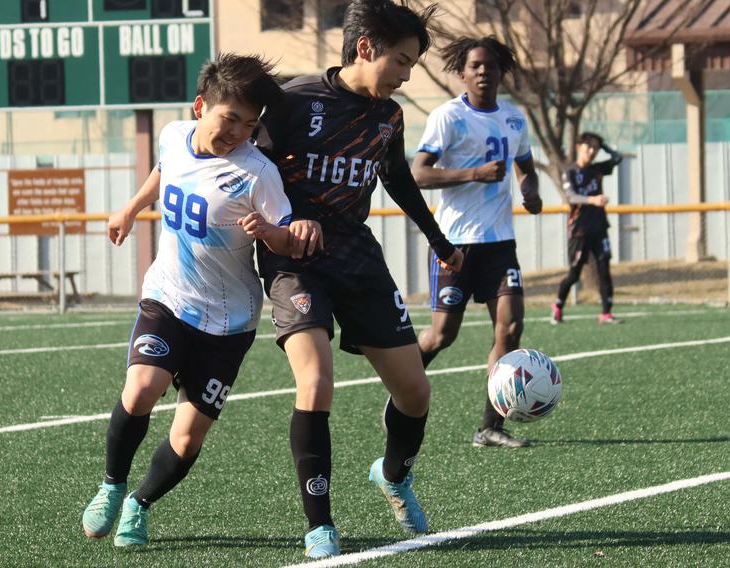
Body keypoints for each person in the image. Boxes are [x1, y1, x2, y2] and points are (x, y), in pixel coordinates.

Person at [80, 53, 322, 548]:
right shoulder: (172, 135)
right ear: (200, 107)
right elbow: (165, 168)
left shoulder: (258, 173)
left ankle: (138, 504)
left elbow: (286, 240)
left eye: (250, 125)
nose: (238, 132)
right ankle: (111, 485)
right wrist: (130, 207)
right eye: (229, 118)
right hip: (168, 297)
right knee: (142, 388)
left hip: (230, 322)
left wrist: (273, 233)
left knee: (189, 438)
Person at [255, 0, 463, 559]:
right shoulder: (294, 102)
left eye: (413, 64)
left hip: (357, 257)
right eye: (401, 60)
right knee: (316, 382)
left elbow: (396, 179)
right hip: (295, 261)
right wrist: (275, 230)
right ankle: (319, 525)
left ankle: (393, 476)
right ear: (365, 48)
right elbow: (244, 171)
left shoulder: (388, 117)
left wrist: (440, 242)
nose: (407, 75)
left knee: (416, 392)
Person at [411, 36, 542, 449]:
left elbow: (526, 168)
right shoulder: (448, 117)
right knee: (442, 335)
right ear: (462, 73)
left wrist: (531, 190)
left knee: (511, 328)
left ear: (501, 72)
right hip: (455, 245)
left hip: (500, 243)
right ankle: (402, 390)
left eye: (491, 65)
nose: (484, 71)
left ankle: (490, 426)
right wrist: (472, 174)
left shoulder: (515, 118)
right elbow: (418, 174)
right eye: (476, 66)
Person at [552, 132, 623, 324]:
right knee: (574, 274)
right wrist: (593, 199)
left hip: (599, 227)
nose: (592, 151)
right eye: (588, 147)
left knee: (604, 269)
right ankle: (558, 305)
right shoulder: (571, 171)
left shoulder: (597, 169)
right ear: (578, 147)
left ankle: (606, 313)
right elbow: (571, 197)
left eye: (595, 148)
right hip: (579, 230)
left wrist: (604, 145)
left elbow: (618, 158)